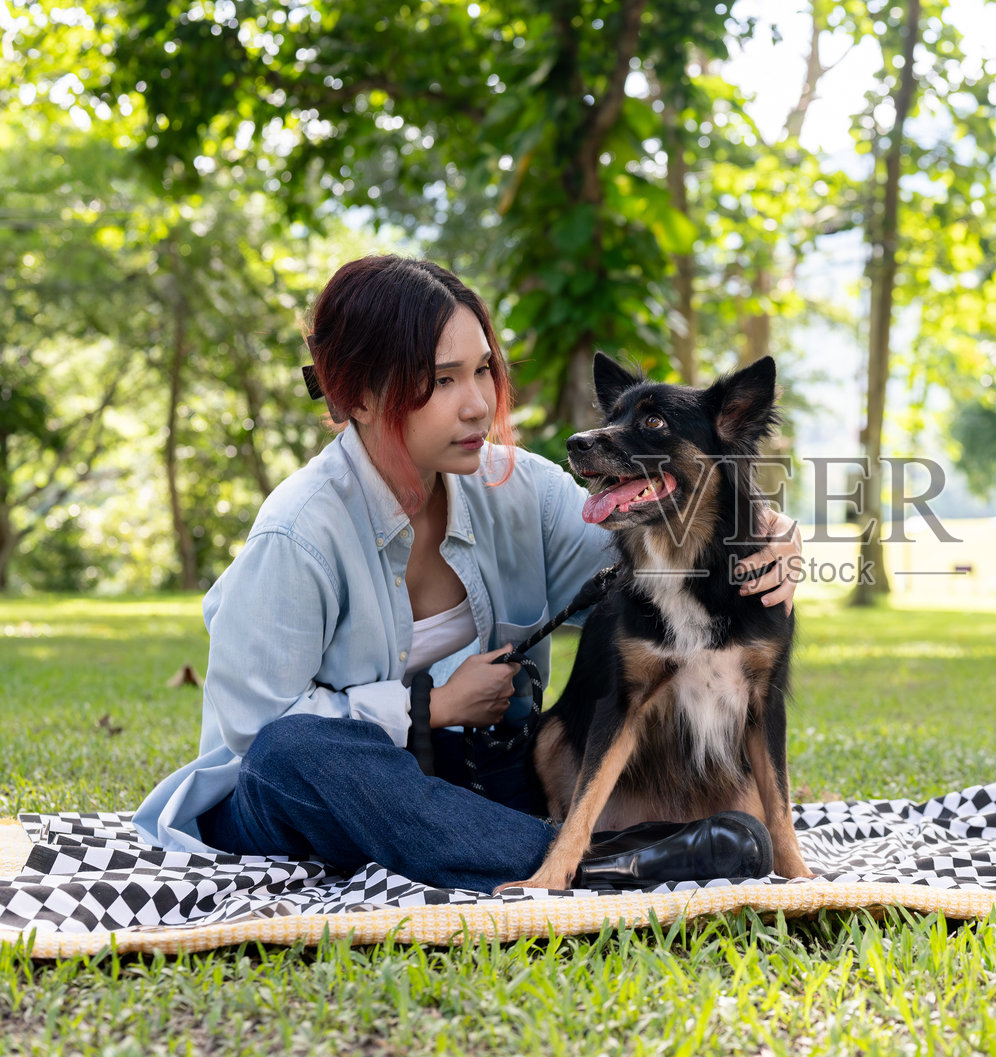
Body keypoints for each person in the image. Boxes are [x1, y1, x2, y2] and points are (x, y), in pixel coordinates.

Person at [132, 256, 801, 893]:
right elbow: (256, 730)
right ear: (360, 395)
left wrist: (772, 540)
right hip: (305, 796)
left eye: (483, 370)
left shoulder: (519, 488)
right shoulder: (299, 532)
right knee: (295, 749)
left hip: (468, 780)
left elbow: (671, 554)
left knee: (567, 684)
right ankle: (588, 860)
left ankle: (567, 841)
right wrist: (434, 706)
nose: (479, 403)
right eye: (444, 379)